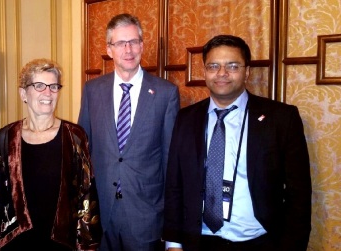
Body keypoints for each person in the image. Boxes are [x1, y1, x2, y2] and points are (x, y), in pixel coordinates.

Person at [163, 34, 312, 251]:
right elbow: (175, 184)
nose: (222, 73)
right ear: (204, 71)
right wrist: (173, 243)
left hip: (258, 241)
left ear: (247, 71)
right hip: (198, 240)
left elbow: (299, 193)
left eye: (232, 66)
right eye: (213, 66)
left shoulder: (281, 118)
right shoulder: (186, 118)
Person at [78, 13, 180, 251]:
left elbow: (170, 160)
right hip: (100, 212)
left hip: (145, 215)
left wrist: (172, 221)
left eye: (133, 41)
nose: (128, 49)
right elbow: (83, 150)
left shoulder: (166, 93)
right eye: (120, 43)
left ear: (142, 46)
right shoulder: (92, 90)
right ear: (109, 49)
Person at [0, 58, 101, 250]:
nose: (48, 93)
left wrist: (86, 245)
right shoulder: (5, 137)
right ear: (23, 93)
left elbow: (87, 194)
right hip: (16, 242)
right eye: (39, 85)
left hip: (61, 242)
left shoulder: (74, 136)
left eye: (53, 86)